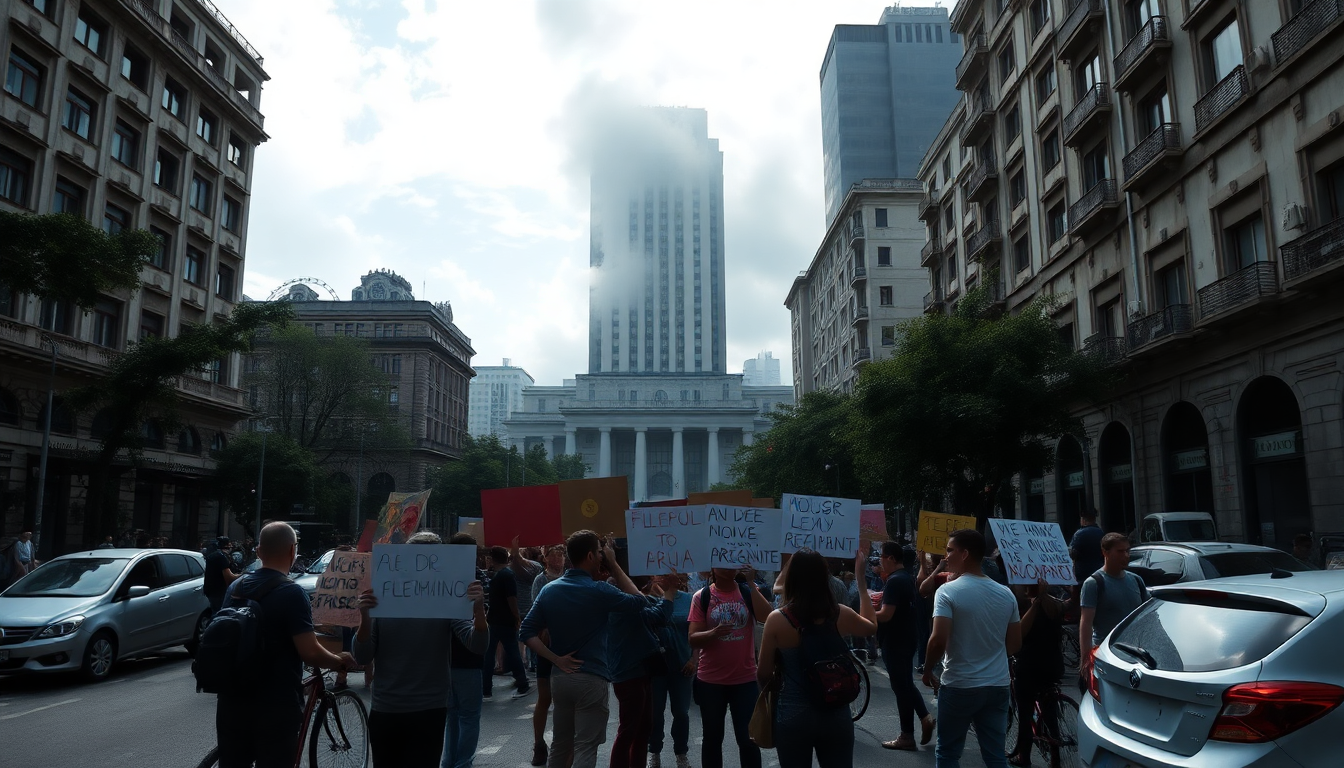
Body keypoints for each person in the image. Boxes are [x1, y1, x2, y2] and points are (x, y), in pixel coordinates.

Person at [214, 521, 354, 768]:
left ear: (258, 551)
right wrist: (339, 661)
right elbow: (310, 653)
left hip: (232, 699)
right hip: (274, 704)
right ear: (293, 551)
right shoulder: (292, 593)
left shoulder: (236, 587)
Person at [354, 531, 489, 768]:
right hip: (388, 708)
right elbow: (362, 655)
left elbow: (478, 645)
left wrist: (478, 611)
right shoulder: (385, 598)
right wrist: (365, 617)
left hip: (428, 708)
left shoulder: (445, 600)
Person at [520, 531, 649, 768]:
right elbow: (640, 601)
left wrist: (556, 659)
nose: (602, 557)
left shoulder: (550, 589)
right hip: (592, 677)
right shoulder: (599, 590)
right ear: (590, 555)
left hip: (560, 678)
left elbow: (526, 632)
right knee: (585, 747)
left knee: (561, 744)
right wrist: (614, 562)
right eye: (600, 553)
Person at [757, 549, 876, 768]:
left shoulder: (777, 620)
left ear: (792, 578)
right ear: (825, 578)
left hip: (793, 713)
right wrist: (860, 580)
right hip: (836, 712)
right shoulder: (841, 614)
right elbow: (871, 625)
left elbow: (763, 673)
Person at [922, 529, 1021, 768]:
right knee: (996, 756)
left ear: (964, 554)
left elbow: (937, 640)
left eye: (949, 550)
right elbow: (1015, 644)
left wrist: (927, 670)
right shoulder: (1005, 593)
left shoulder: (948, 591)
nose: (946, 557)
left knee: (947, 753)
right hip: (997, 685)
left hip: (960, 685)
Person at [687, 565, 774, 768]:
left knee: (748, 741)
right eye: (723, 563)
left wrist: (751, 582)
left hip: (744, 680)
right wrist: (713, 633)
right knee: (712, 739)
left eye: (733, 563)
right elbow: (693, 639)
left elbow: (767, 617)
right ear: (713, 568)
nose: (729, 567)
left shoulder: (747, 591)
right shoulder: (702, 597)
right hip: (711, 682)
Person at [608, 575, 676, 768]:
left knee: (642, 729)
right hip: (629, 672)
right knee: (630, 730)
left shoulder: (623, 597)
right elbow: (658, 616)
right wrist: (669, 593)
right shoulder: (623, 601)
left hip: (638, 670)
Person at [875, 541, 934, 751]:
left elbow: (886, 614)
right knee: (905, 684)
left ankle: (906, 735)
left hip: (896, 640)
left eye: (881, 556)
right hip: (906, 639)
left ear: (891, 558)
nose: (879, 561)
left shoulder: (894, 581)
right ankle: (925, 717)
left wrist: (864, 613)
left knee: (901, 687)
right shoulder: (905, 578)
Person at [443, 533, 490, 768]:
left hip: (442, 657)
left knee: (452, 715)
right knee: (469, 716)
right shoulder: (479, 577)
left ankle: (448, 762)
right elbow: (482, 618)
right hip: (468, 657)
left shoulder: (438, 576)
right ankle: (462, 764)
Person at [1009, 579, 1065, 768]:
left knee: (1025, 713)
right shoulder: (1057, 605)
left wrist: (1037, 601)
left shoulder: (1032, 607)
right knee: (1050, 713)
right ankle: (1055, 759)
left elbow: (1020, 634)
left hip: (1029, 668)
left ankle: (1024, 758)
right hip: (1053, 666)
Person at [1078, 533, 1147, 680]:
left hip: (1135, 656)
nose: (1126, 555)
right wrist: (1085, 661)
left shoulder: (1136, 580)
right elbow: (1086, 624)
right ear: (1105, 552)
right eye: (1120, 551)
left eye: (1128, 551)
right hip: (1106, 655)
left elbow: (1148, 617)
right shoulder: (1094, 583)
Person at [648, 574, 695, 768]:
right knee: (655, 712)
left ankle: (681, 753)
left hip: (683, 665)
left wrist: (694, 659)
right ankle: (655, 752)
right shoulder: (647, 599)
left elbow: (696, 630)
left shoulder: (690, 600)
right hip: (656, 667)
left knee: (681, 713)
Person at [529, 544, 568, 766]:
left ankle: (561, 744)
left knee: (565, 698)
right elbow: (536, 610)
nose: (557, 558)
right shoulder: (540, 580)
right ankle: (538, 743)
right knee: (545, 697)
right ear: (546, 558)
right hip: (546, 646)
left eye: (561, 555)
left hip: (566, 644)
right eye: (553, 554)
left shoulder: (570, 578)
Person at [484, 546, 532, 699]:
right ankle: (522, 684)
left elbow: (510, 598)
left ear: (492, 558)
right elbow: (511, 598)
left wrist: (515, 616)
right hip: (504, 621)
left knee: (490, 654)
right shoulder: (506, 575)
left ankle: (486, 689)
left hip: (497, 620)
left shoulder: (502, 575)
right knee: (512, 652)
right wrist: (516, 616)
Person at [204, 536, 239, 616]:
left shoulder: (214, 555)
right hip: (219, 592)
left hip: (211, 592)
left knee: (215, 613)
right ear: (227, 545)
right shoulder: (222, 557)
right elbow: (229, 578)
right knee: (220, 615)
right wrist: (243, 574)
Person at [1068, 510, 1104, 586]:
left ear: (1083, 520)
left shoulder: (1080, 533)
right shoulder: (1101, 532)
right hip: (1099, 569)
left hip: (1082, 572)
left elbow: (1072, 553)